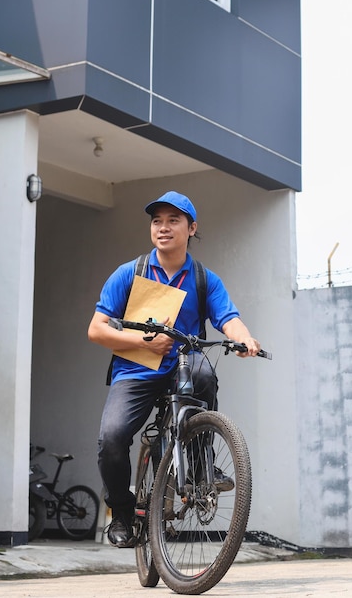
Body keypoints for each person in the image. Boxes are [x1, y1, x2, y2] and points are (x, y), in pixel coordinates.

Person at [88, 190, 260, 547]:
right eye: (157, 221)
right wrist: (142, 343)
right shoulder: (129, 273)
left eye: (173, 220)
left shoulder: (203, 279)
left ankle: (201, 466)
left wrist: (245, 340)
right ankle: (121, 512)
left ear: (192, 228)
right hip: (135, 370)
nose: (163, 228)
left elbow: (229, 318)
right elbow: (96, 329)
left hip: (183, 365)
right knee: (112, 439)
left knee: (204, 372)